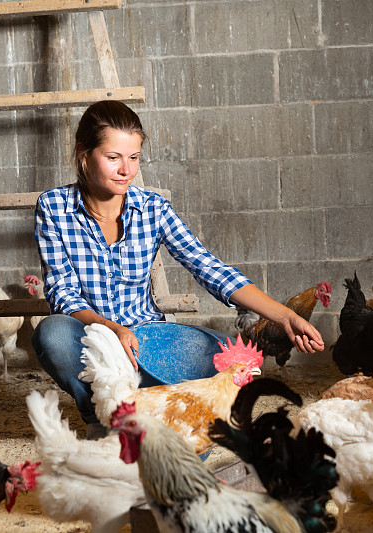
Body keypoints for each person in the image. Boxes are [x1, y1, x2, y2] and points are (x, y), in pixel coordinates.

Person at [32, 100, 324, 439]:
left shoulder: (153, 208)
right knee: (51, 333)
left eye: (134, 157)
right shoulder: (53, 206)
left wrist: (284, 317)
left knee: (231, 358)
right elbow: (62, 292)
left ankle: (160, 407)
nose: (126, 169)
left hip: (149, 341)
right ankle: (104, 417)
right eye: (113, 158)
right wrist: (111, 329)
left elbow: (206, 266)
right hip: (93, 341)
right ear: (84, 152)